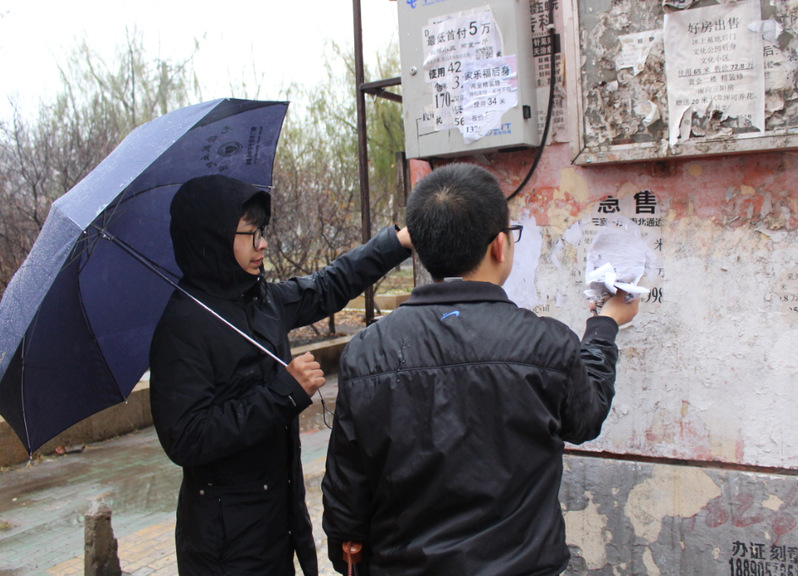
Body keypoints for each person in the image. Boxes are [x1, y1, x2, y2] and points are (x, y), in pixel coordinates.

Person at [321, 163, 639, 576]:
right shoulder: (546, 343)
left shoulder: (367, 352)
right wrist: (603, 326)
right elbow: (586, 419)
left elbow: (347, 487)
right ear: (499, 246)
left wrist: (352, 558)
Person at [149, 174, 412, 575]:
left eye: (262, 232)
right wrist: (283, 393)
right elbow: (186, 437)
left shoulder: (260, 298)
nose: (263, 244)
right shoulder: (184, 324)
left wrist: (398, 243)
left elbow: (327, 285)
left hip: (276, 520)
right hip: (224, 546)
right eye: (250, 234)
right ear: (213, 238)